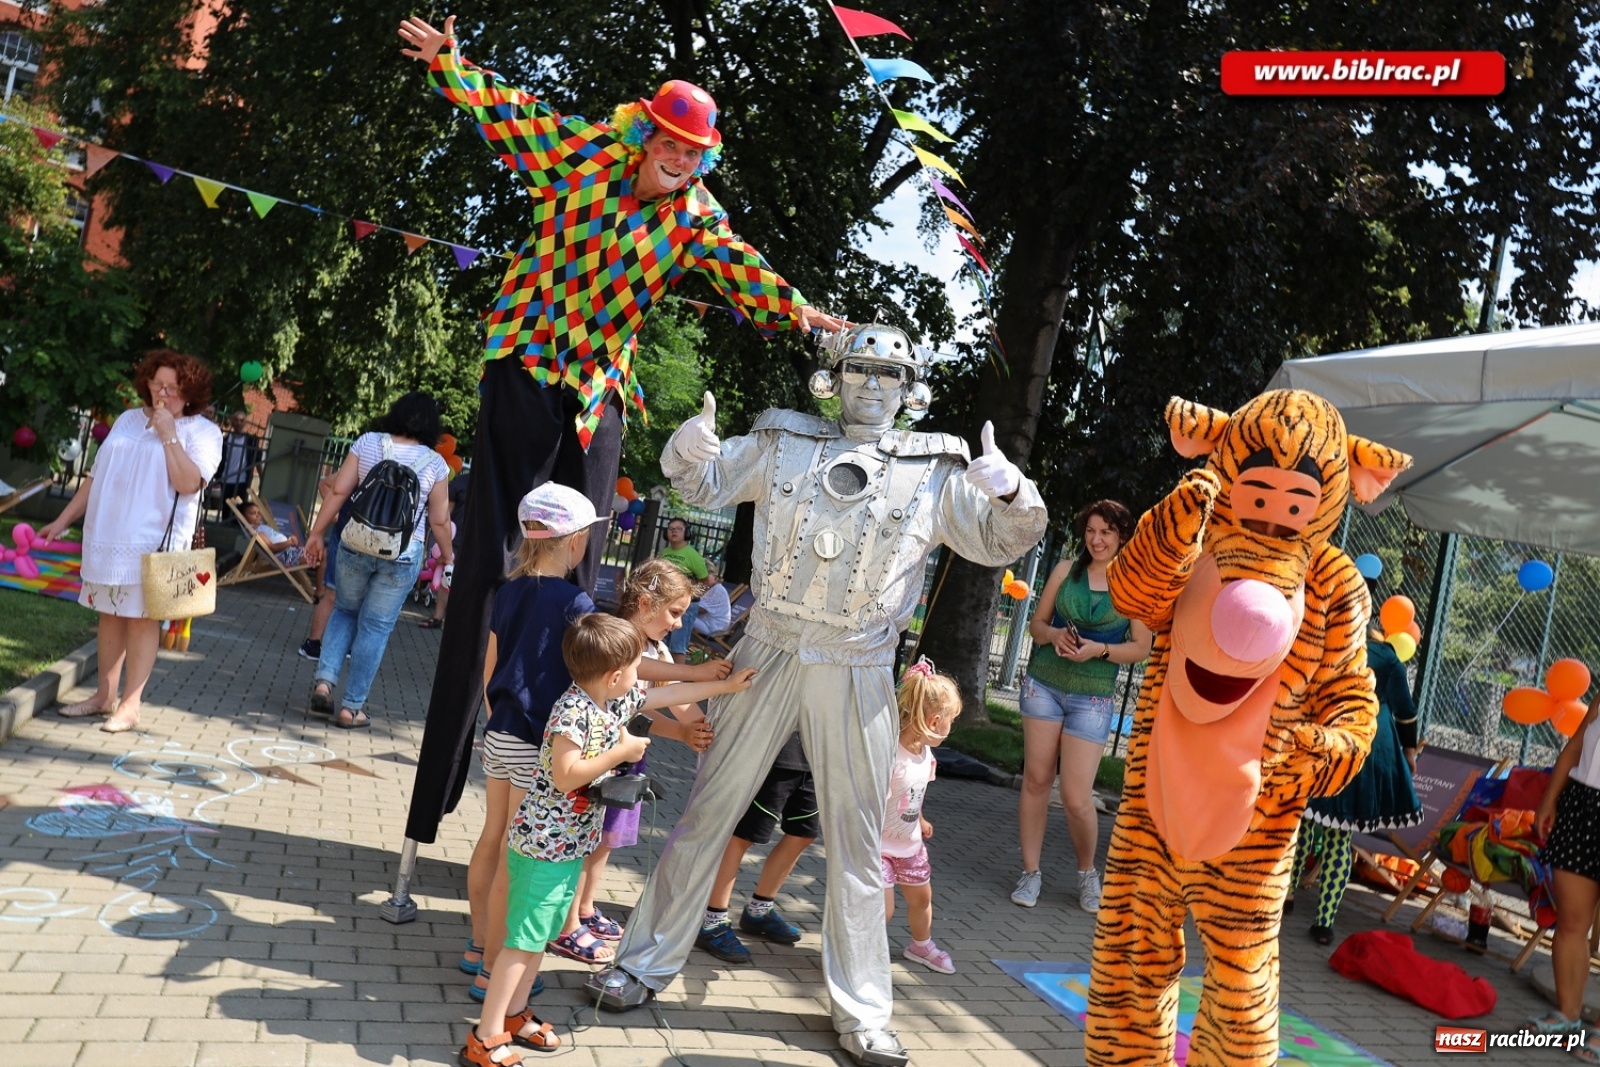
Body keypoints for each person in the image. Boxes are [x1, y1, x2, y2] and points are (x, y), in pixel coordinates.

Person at [396, 15, 847, 852]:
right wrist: (450, 63)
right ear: (646, 135)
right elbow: (510, 109)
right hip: (528, 366)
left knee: (585, 579)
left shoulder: (696, 214)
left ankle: (568, 773)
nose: (678, 159)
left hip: (598, 388)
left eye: (692, 150)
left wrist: (806, 314)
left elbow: (746, 269)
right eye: (669, 142)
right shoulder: (579, 157)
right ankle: (441, 787)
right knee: (498, 563)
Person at [588, 322, 1047, 1067]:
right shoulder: (782, 441)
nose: (872, 384)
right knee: (709, 812)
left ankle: (863, 1010)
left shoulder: (935, 469)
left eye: (887, 374)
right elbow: (700, 482)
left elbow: (999, 541)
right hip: (766, 649)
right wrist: (692, 443)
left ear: (909, 389)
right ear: (832, 376)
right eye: (859, 368)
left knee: (859, 841)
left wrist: (1011, 490)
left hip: (860, 665)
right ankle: (643, 960)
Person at [460, 613, 756, 1067]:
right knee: (521, 943)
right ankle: (485, 1036)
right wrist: (621, 752)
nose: (642, 676)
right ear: (615, 675)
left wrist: (724, 688)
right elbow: (564, 775)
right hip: (544, 847)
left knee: (538, 938)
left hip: (568, 847)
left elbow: (671, 693)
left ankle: (515, 1016)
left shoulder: (613, 699)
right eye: (638, 666)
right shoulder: (573, 713)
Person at [464, 483, 608, 1001]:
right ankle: (495, 969)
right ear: (574, 542)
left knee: (491, 836)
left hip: (500, 732)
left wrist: (494, 716)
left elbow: (490, 665)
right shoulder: (576, 601)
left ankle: (478, 948)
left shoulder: (507, 591)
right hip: (537, 743)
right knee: (514, 855)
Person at [549, 558, 723, 965]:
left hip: (626, 762)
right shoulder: (619, 641)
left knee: (605, 842)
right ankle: (566, 924)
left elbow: (667, 697)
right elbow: (640, 695)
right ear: (644, 602)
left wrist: (696, 728)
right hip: (599, 763)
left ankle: (586, 910)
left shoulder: (655, 647)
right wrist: (703, 679)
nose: (679, 623)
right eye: (675, 613)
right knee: (586, 841)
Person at [41, 350, 222, 734]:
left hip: (154, 542)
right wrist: (61, 520)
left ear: (189, 393)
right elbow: (95, 476)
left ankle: (131, 705)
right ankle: (102, 697)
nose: (163, 394)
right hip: (108, 533)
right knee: (109, 614)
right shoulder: (126, 420)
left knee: (141, 621)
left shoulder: (203, 432)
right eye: (158, 384)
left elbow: (188, 483)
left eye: (173, 389)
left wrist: (169, 434)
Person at [1011, 501, 1152, 913]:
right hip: (1044, 686)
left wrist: (1100, 650)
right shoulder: (1064, 571)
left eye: (1106, 532)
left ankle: (1088, 873)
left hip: (1093, 697)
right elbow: (1036, 625)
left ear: (1122, 535)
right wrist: (1054, 636)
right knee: (1036, 781)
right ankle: (1030, 872)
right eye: (1091, 530)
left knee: (1075, 797)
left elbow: (1141, 647)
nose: (1097, 539)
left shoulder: (1135, 583)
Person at [301, 392, 452, 729]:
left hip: (355, 542)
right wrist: (449, 555)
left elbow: (339, 491)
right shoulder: (436, 464)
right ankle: (351, 708)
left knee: (343, 610)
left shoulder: (368, 442)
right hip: (401, 553)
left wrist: (316, 533)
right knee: (376, 627)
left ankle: (325, 681)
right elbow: (440, 521)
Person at [1293, 597, 1421, 945]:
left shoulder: (1319, 642)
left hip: (1323, 736)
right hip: (1364, 745)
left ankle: (1287, 895)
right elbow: (1405, 712)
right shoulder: (1387, 657)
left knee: (1302, 821)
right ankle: (1324, 921)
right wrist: (1409, 752)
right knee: (1340, 837)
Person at [695, 733, 818, 965]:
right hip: (777, 754)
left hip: (816, 756)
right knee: (743, 835)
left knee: (803, 834)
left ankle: (759, 911)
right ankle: (713, 921)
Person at [1527, 688, 1600, 1058]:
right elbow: (1576, 746)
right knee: (1572, 922)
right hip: (1582, 807)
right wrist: (1549, 799)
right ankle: (1567, 1014)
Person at [884, 659, 963, 975]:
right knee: (883, 910)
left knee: (922, 898)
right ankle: (863, 951)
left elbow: (914, 795)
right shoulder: (891, 756)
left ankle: (921, 944)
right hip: (878, 846)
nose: (950, 728)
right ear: (934, 719)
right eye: (951, 721)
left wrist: (920, 819)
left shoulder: (925, 754)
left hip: (911, 846)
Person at [658, 517, 709, 659]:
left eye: (678, 529)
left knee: (677, 645)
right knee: (662, 642)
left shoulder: (693, 556)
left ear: (686, 533)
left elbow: (704, 580)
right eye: (671, 529)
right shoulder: (666, 552)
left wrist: (687, 597)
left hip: (685, 607)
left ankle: (678, 679)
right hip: (666, 602)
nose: (674, 531)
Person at [239, 500, 303, 566]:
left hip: (291, 550)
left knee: (312, 554)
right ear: (244, 518)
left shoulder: (261, 527)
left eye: (258, 513)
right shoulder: (258, 533)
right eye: (253, 513)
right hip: (285, 555)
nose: (257, 515)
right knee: (313, 557)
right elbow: (273, 548)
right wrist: (290, 542)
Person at [217, 410, 260, 504]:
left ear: (245, 422)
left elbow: (258, 460)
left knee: (240, 510)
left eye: (241, 420)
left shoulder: (251, 441)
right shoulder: (225, 440)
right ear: (232, 421)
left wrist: (261, 478)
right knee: (226, 510)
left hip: (242, 481)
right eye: (236, 420)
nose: (239, 423)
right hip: (226, 479)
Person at [692, 562, 732, 638]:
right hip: (709, 623)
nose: (703, 580)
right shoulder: (711, 588)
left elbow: (700, 610)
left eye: (706, 577)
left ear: (714, 576)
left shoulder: (717, 590)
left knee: (684, 616)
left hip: (714, 628)